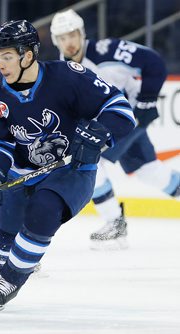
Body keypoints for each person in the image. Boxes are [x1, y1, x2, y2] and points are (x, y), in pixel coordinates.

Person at [0, 20, 135, 312]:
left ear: (28, 55)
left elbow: (121, 111)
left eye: (7, 56)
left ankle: (12, 276)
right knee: (6, 222)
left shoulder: (69, 77)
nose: (0, 64)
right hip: (23, 173)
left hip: (72, 170)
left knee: (43, 210)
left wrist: (100, 133)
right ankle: (8, 267)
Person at [50, 9, 180, 249]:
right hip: (108, 122)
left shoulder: (104, 51)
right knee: (150, 171)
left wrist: (147, 101)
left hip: (128, 118)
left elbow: (153, 62)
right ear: (56, 41)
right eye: (62, 38)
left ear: (81, 33)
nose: (68, 42)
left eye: (72, 35)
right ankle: (115, 223)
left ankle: (114, 223)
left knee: (90, 160)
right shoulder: (61, 69)